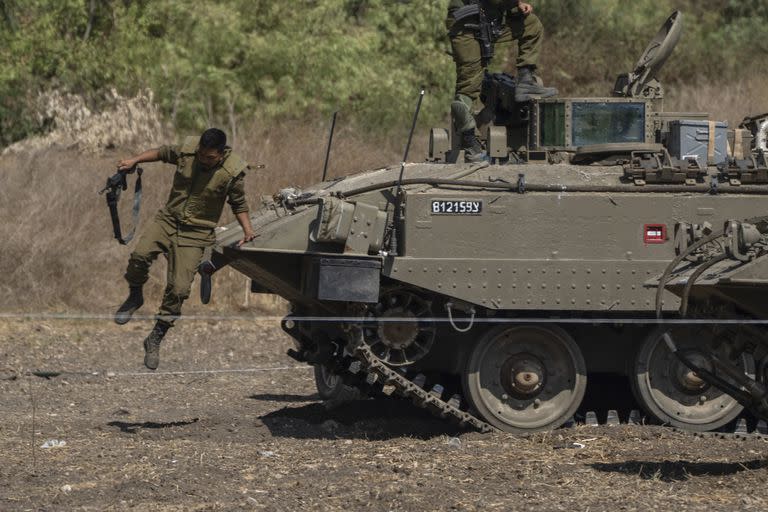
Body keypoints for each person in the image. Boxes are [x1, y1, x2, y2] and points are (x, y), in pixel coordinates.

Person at [113, 128, 256, 370]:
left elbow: (238, 203)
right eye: (201, 154)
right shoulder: (188, 152)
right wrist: (134, 160)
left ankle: (156, 336)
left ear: (221, 155)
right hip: (167, 220)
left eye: (209, 157)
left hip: (197, 232)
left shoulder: (232, 173)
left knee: (179, 290)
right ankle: (135, 295)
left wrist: (248, 230)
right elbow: (161, 152)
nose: (203, 160)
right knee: (139, 256)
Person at [447, 0, 558, 161]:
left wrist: (516, 6)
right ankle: (470, 142)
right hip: (465, 26)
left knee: (531, 25)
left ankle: (525, 82)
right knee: (468, 85)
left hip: (490, 21)